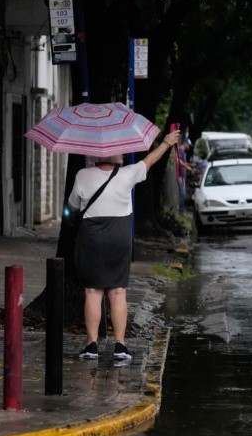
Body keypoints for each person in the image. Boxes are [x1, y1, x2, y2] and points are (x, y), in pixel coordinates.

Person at [69, 129, 181, 360]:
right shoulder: (128, 174)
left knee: (93, 291)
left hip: (92, 237)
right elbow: (150, 160)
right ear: (117, 155)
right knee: (118, 291)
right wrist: (167, 142)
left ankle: (91, 346)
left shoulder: (82, 175)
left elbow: (73, 205)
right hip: (119, 237)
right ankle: (120, 346)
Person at [174, 138, 193, 213]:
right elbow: (178, 160)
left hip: (182, 176)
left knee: (183, 193)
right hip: (180, 175)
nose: (189, 147)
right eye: (189, 145)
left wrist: (190, 165)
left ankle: (181, 209)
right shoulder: (180, 150)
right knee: (182, 193)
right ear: (185, 143)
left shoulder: (183, 152)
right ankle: (180, 210)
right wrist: (186, 167)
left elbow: (183, 162)